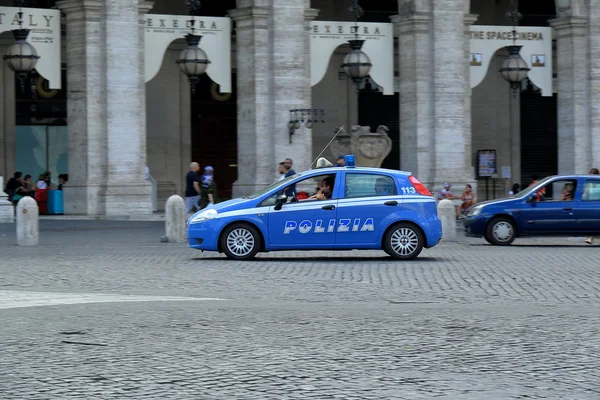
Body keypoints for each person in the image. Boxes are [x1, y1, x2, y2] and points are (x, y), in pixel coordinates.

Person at [585, 168, 600, 245]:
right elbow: (586, 194)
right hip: (590, 206)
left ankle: (590, 238)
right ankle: (590, 237)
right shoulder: (589, 184)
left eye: (593, 175)